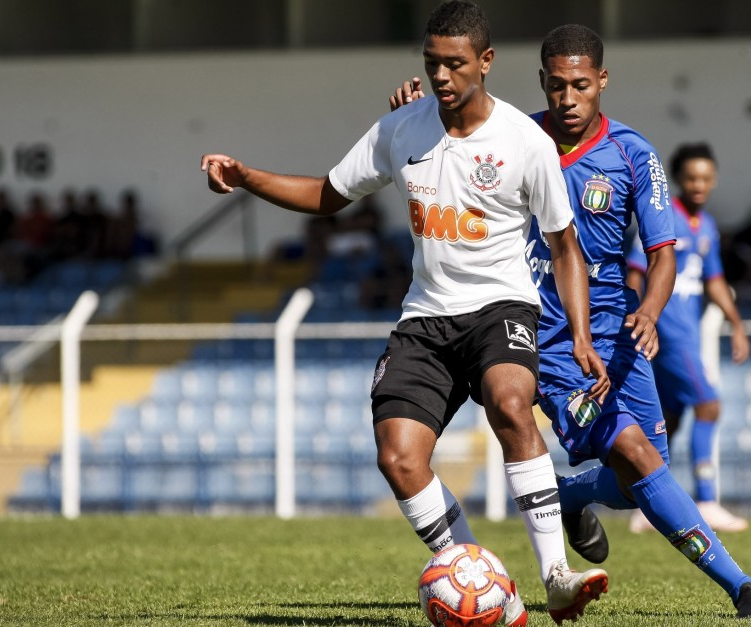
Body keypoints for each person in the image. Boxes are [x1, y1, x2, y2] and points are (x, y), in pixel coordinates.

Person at [201, 3, 610, 625]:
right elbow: (326, 194)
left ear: (486, 63)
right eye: (432, 63)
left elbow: (563, 245)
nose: (442, 76)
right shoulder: (401, 128)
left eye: (455, 63)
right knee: (398, 457)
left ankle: (556, 576)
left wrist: (579, 335)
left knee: (509, 401)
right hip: (426, 318)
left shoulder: (527, 142)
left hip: (502, 307)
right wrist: (246, 174)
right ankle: (479, 583)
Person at [391, 22, 751, 620]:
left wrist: (648, 310)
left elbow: (662, 252)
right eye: (555, 87)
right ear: (541, 82)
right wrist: (415, 114)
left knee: (640, 474)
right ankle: (742, 586)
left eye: (580, 86)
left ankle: (566, 495)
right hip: (545, 337)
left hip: (619, 333)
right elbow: (446, 140)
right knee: (634, 452)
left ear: (601, 82)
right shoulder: (511, 138)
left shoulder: (632, 154)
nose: (567, 100)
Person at [625, 143, 751, 534]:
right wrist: (638, 318)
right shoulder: (663, 219)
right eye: (692, 178)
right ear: (679, 179)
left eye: (706, 178)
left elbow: (713, 279)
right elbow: (635, 272)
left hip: (687, 333)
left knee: (670, 419)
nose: (699, 185)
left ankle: (647, 503)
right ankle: (708, 499)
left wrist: (736, 323)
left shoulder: (707, 226)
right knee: (709, 406)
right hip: (667, 333)